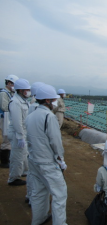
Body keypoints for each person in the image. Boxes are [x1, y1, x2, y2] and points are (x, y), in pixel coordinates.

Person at [25, 84, 67, 225]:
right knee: (59, 195)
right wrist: (61, 159)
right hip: (47, 163)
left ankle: (38, 219)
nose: (55, 102)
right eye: (53, 99)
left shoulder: (31, 115)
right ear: (48, 101)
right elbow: (56, 143)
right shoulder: (49, 117)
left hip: (33, 160)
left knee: (38, 193)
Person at [7, 78, 31, 186]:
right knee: (17, 156)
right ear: (21, 90)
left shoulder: (23, 101)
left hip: (23, 132)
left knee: (24, 154)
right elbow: (17, 122)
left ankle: (23, 172)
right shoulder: (16, 102)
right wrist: (20, 136)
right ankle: (14, 178)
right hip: (18, 133)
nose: (28, 92)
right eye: (26, 90)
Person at [0, 74, 19, 168]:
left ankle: (6, 158)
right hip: (5, 117)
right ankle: (4, 161)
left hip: (8, 117)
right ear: (9, 83)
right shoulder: (4, 93)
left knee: (9, 138)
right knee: (6, 137)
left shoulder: (10, 93)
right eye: (13, 84)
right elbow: (4, 107)